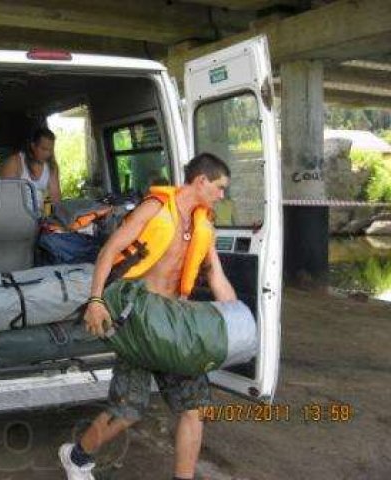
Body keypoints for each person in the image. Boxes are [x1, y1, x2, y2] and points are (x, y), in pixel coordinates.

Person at [59, 153, 237, 480]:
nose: (222, 195)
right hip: (139, 322)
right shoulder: (155, 209)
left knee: (194, 408)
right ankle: (77, 455)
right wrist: (96, 300)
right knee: (127, 411)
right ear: (201, 181)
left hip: (174, 326)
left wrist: (237, 317)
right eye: (220, 187)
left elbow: (217, 278)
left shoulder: (203, 224)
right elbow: (108, 251)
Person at [0, 127, 62, 214]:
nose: (47, 154)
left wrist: (47, 217)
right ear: (33, 146)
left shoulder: (51, 167)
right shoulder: (15, 162)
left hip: (41, 218)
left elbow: (55, 199)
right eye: (43, 149)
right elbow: (7, 198)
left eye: (50, 150)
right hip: (18, 216)